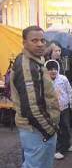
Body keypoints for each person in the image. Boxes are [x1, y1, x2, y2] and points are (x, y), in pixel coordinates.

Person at [10, 26, 60, 168]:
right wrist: (50, 130)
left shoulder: (35, 61)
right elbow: (31, 108)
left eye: (42, 40)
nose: (40, 44)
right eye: (34, 40)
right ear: (24, 42)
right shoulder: (27, 65)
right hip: (36, 130)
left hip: (37, 129)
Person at [44, 60, 72, 160]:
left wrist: (71, 103)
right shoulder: (44, 81)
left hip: (64, 108)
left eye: (55, 69)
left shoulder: (63, 78)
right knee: (55, 129)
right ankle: (58, 149)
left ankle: (67, 145)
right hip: (52, 110)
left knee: (65, 127)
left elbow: (69, 91)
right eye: (50, 69)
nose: (53, 71)